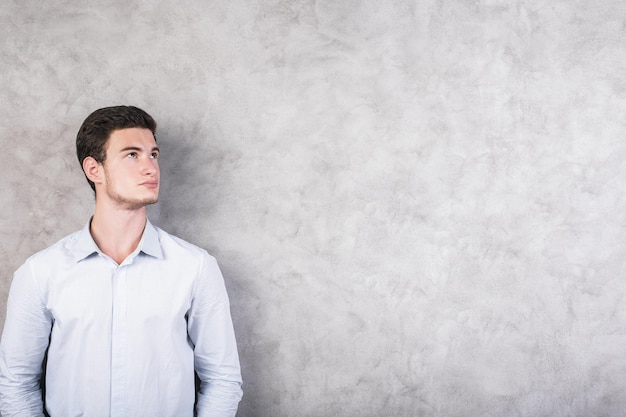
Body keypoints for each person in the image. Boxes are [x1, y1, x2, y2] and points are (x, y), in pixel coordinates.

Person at [0, 106, 243, 417]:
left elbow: (222, 379)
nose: (151, 167)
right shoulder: (41, 272)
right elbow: (16, 383)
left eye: (153, 155)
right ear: (94, 169)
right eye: (132, 155)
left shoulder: (195, 267)